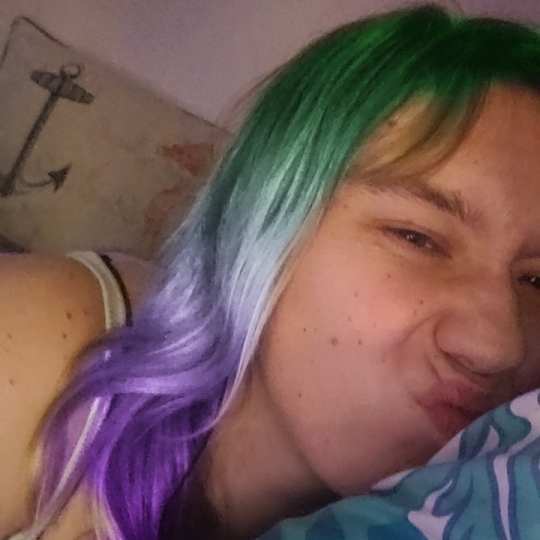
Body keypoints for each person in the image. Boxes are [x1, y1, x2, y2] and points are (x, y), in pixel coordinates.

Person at [5, 4, 540, 540]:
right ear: (266, 216)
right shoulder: (59, 347)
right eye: (417, 238)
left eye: (538, 281)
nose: (499, 347)